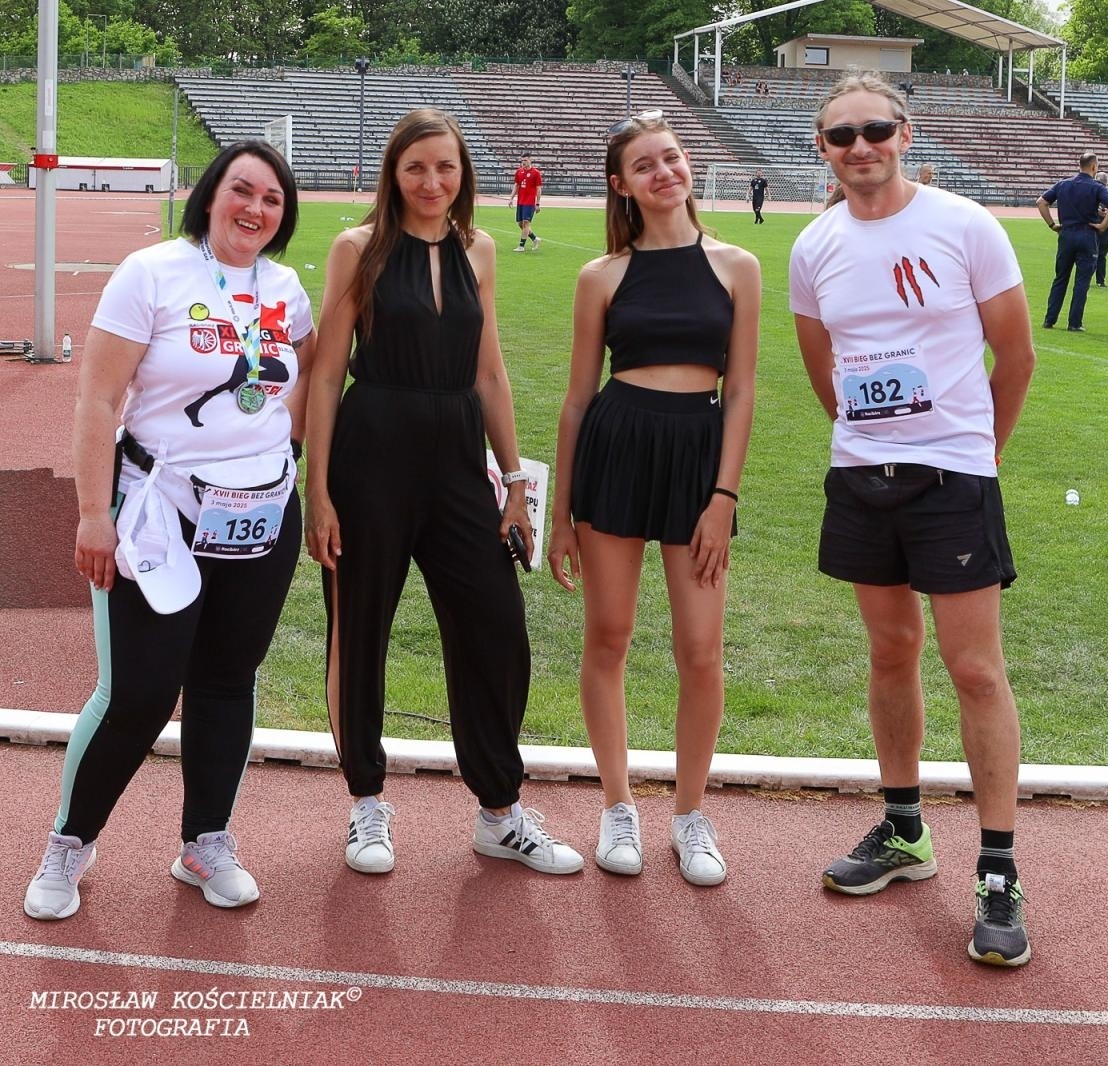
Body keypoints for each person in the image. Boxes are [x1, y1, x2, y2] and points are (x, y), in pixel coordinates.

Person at [24, 141, 315, 920]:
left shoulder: (286, 289)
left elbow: (306, 380)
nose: (255, 209)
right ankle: (69, 845)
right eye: (241, 191)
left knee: (227, 681)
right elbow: (97, 400)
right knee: (140, 692)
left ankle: (205, 842)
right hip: (160, 515)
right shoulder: (150, 273)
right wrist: (93, 513)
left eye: (272, 200)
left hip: (260, 518)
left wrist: (281, 456)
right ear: (210, 195)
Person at [790, 75, 1037, 966]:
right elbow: (824, 369)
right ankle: (904, 831)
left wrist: (984, 447)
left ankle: (999, 871)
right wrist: (865, 433)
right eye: (840, 135)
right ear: (821, 148)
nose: (860, 147)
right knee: (890, 651)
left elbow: (1016, 354)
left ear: (905, 132)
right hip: (862, 477)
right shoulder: (813, 244)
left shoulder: (966, 224)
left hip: (953, 476)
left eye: (875, 130)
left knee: (974, 666)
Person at [304, 109, 583, 878]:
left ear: (465, 175)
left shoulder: (479, 249)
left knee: (496, 624)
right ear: (394, 174)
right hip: (372, 453)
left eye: (446, 168)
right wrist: (317, 491)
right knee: (358, 630)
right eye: (416, 168)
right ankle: (365, 802)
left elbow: (489, 373)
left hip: (460, 457)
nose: (432, 182)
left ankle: (500, 811)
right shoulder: (356, 248)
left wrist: (517, 485)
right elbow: (327, 373)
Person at [548, 112, 759, 887]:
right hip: (617, 446)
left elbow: (741, 391)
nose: (663, 172)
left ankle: (690, 814)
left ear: (687, 164)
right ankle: (617, 806)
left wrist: (724, 497)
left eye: (670, 157)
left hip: (697, 459)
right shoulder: (601, 275)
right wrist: (561, 514)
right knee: (609, 634)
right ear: (622, 185)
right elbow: (576, 400)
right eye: (644, 165)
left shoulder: (738, 266)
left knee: (700, 650)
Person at [1036, 150, 1108, 332]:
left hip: (1067, 233)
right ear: (1094, 167)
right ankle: (1074, 322)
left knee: (1061, 278)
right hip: (1087, 234)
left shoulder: (1063, 184)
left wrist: (1052, 225)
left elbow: (1041, 202)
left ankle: (1050, 319)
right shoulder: (1097, 187)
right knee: (1082, 281)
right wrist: (1102, 225)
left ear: (1079, 165)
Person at [510, 154, 542, 251]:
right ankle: (535, 238)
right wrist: (511, 198)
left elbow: (538, 188)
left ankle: (521, 246)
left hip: (529, 202)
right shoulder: (519, 172)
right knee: (520, 223)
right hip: (521, 201)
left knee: (526, 223)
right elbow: (516, 185)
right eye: (522, 160)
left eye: (525, 160)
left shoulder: (536, 173)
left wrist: (537, 203)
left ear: (530, 160)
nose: (523, 162)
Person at [1093, 173, 1108, 287]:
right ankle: (1100, 281)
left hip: (1093, 227)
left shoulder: (1091, 192)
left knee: (1092, 254)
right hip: (1104, 228)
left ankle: (1087, 277)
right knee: (1101, 255)